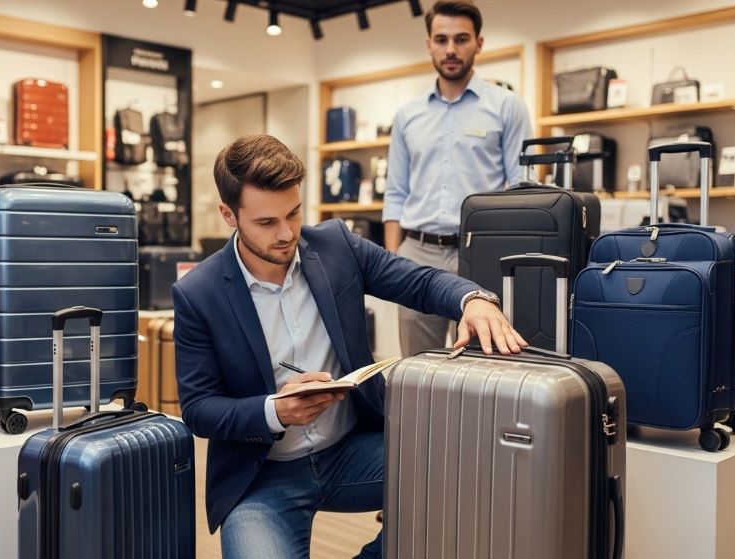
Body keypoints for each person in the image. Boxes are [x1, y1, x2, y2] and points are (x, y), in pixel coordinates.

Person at [172, 134, 526, 559]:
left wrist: (474, 300)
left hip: (352, 452)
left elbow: (420, 281)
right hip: (263, 477)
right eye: (266, 223)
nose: (286, 234)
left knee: (467, 479)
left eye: (294, 213)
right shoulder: (198, 293)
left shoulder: (336, 246)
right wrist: (275, 410)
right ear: (229, 215)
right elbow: (198, 409)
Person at [382, 0, 533, 358]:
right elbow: (395, 192)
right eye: (441, 39)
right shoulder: (408, 115)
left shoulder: (507, 106)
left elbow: (522, 186)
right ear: (429, 44)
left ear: (478, 43)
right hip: (417, 254)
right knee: (420, 367)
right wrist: (393, 259)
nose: (451, 49)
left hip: (483, 252)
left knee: (488, 361)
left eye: (461, 39)